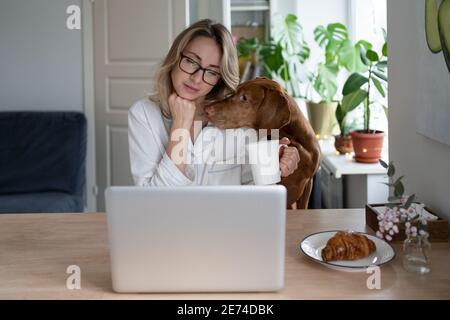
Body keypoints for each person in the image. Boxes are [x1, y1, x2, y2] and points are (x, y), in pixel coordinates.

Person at [128, 19, 300, 187]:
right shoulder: (143, 114)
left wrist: (278, 163)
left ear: (220, 79)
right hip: (170, 217)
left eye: (211, 72)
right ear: (174, 58)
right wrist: (180, 126)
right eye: (191, 61)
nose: (196, 78)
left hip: (230, 216)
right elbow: (154, 200)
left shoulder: (241, 117)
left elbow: (261, 194)